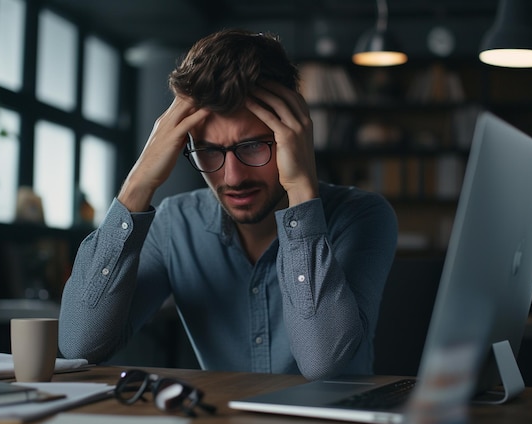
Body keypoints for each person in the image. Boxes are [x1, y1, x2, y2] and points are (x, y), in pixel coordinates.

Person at [59, 28, 398, 381]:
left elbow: (324, 364)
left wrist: (299, 185)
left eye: (253, 146)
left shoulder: (363, 216)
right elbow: (79, 344)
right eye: (208, 150)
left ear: (292, 135)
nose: (232, 177)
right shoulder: (175, 224)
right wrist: (138, 181)